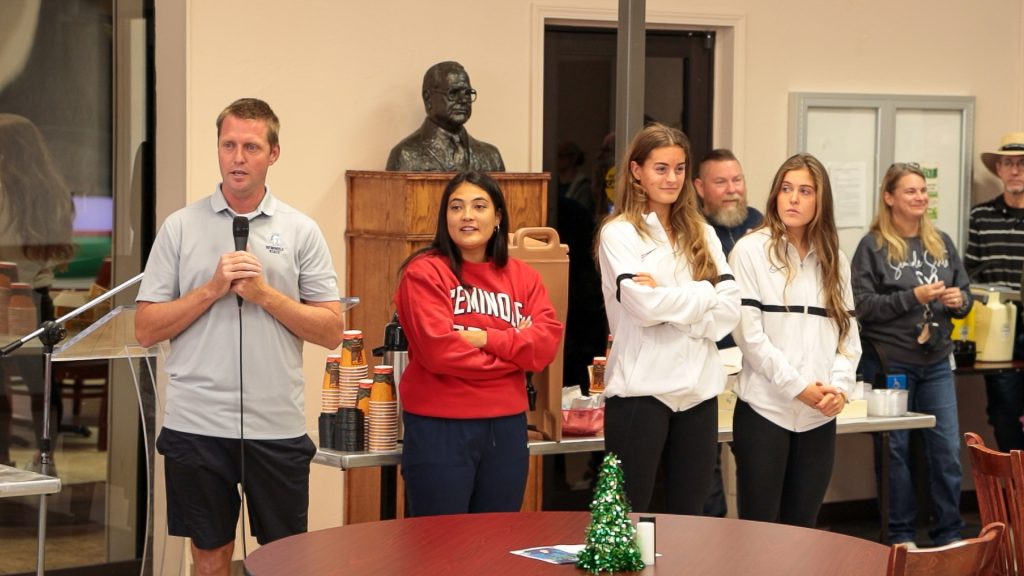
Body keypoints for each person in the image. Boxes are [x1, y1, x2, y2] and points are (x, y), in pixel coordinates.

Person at [135, 98, 344, 576]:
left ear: (273, 153)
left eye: (251, 146)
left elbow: (331, 329)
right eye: (228, 145)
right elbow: (145, 329)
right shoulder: (180, 227)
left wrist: (265, 295)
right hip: (197, 424)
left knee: (285, 559)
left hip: (277, 425)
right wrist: (211, 290)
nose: (237, 157)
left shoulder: (301, 230)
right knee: (209, 555)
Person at [394, 171, 563, 517]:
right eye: (456, 207)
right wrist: (515, 353)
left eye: (479, 206)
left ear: (498, 217)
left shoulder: (524, 277)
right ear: (445, 218)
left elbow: (544, 347)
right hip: (439, 427)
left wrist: (485, 338)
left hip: (507, 428)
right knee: (439, 548)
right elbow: (439, 352)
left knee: (495, 547)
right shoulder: (423, 273)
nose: (467, 215)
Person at [597, 123, 740, 514]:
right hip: (641, 394)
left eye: (679, 168)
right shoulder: (619, 233)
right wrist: (703, 293)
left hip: (698, 393)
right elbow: (642, 309)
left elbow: (728, 311)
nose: (672, 178)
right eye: (661, 168)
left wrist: (668, 298)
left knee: (690, 521)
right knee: (625, 517)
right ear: (637, 170)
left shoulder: (704, 233)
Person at [729, 153, 860, 528]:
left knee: (803, 531)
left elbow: (848, 338)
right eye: (786, 189)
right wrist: (797, 386)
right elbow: (749, 337)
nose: (793, 199)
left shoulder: (836, 258)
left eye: (804, 191)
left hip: (818, 417)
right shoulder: (750, 250)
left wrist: (839, 388)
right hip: (765, 411)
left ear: (821, 201)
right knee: (760, 532)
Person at [853, 162, 969, 547]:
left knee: (947, 450)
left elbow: (965, 294)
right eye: (910, 191)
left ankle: (950, 533)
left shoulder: (942, 242)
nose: (920, 197)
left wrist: (958, 300)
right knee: (895, 452)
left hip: (937, 362)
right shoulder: (873, 247)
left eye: (923, 191)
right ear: (889, 198)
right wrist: (912, 297)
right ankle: (901, 535)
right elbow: (862, 306)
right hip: (890, 362)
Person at [0, 113, 75, 468]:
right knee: (42, 384)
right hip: (40, 297)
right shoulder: (52, 190)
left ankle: (1, 458)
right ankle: (46, 456)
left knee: (3, 386)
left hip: (3, 296)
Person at [693, 148, 763, 517]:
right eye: (721, 182)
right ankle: (714, 534)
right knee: (707, 460)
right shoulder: (692, 230)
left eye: (737, 180)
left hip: (755, 359)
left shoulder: (762, 225)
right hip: (710, 358)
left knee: (753, 453)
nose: (732, 189)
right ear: (700, 187)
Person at [965, 132, 1024, 451]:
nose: (1015, 171)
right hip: (1000, 331)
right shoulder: (981, 217)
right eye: (1008, 164)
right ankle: (1014, 497)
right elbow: (969, 274)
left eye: (1022, 164)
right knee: (1005, 414)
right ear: (999, 170)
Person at [386, 61, 505, 172]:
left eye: (467, 93)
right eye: (453, 93)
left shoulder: (491, 157)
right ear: (428, 98)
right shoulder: (405, 155)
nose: (463, 100)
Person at [556, 140, 593, 214]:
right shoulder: (554, 182)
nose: (556, 159)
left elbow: (582, 211)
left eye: (560, 155)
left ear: (573, 158)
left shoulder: (583, 185)